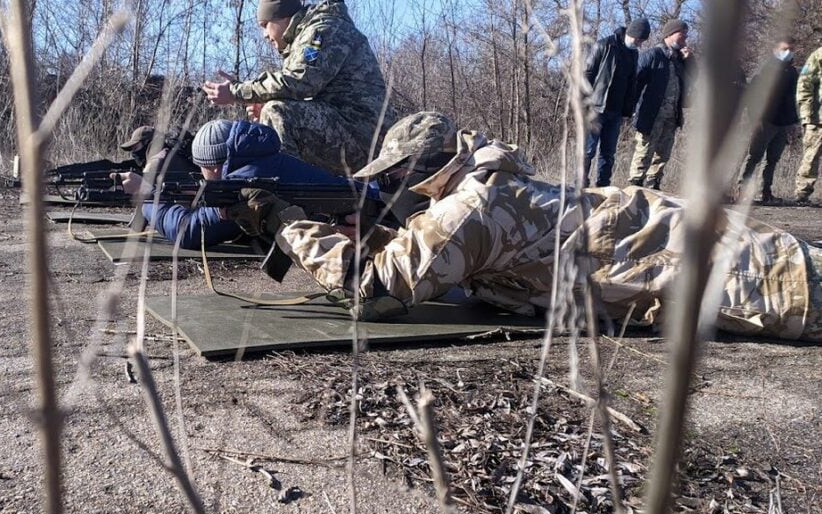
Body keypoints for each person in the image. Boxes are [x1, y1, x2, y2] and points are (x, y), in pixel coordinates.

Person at [227, 111, 822, 342]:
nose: (389, 187)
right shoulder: (489, 191)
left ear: (427, 171)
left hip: (768, 279)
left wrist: (289, 225)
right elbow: (438, 256)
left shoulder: (474, 206)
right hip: (748, 257)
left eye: (396, 176)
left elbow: (374, 291)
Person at [201, 0, 392, 175]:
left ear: (282, 17)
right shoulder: (308, 35)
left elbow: (300, 82)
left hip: (365, 138)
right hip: (353, 133)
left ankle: (287, 202)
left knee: (277, 111)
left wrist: (237, 91)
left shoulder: (323, 30)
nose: (265, 35)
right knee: (272, 113)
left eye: (265, 25)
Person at [138, 119, 366, 250]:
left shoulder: (244, 182)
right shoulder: (262, 163)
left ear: (213, 167)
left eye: (202, 169)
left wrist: (145, 197)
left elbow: (187, 231)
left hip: (365, 211)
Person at [583, 18, 650, 187]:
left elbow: (631, 83)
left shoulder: (634, 54)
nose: (639, 44)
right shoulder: (604, 45)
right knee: (588, 150)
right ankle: (580, 183)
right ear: (631, 33)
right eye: (638, 40)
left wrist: (629, 109)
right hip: (596, 108)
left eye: (642, 42)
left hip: (616, 112)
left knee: (608, 153)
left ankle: (603, 186)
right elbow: (587, 74)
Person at [627, 19, 692, 190]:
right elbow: (635, 84)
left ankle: (653, 183)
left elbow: (695, 78)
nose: (685, 38)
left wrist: (689, 61)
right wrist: (629, 109)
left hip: (672, 116)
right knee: (644, 151)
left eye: (686, 35)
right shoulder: (652, 55)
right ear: (669, 35)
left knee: (663, 154)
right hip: (651, 115)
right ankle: (635, 185)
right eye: (681, 34)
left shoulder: (680, 59)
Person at [738, 38, 800, 205]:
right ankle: (741, 191)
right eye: (785, 48)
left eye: (791, 49)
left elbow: (792, 98)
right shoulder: (766, 70)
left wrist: (793, 122)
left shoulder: (792, 72)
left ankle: (766, 192)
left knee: (773, 159)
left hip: (783, 123)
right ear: (775, 49)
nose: (788, 52)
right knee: (754, 156)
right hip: (765, 121)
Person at [795, 44, 822, 204]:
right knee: (811, 156)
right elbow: (804, 85)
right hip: (817, 119)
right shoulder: (818, 55)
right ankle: (802, 194)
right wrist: (806, 115)